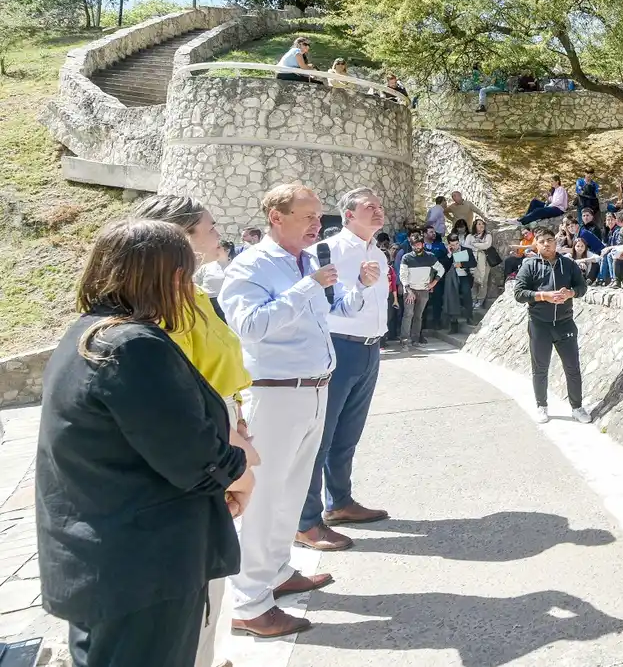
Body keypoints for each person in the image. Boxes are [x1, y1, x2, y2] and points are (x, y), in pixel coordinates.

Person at [38, 219, 252, 667]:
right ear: (172, 278)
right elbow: (192, 456)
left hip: (103, 558)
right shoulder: (134, 345)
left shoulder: (89, 333)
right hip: (144, 568)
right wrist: (240, 473)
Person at [219, 184, 379, 638]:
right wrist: (309, 285)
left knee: (290, 492)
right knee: (264, 497)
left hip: (312, 389)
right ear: (276, 217)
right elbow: (250, 326)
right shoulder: (251, 265)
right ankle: (249, 604)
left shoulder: (306, 261)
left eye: (318, 216)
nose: (316, 224)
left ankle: (275, 574)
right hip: (274, 393)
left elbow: (326, 316)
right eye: (307, 216)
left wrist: (359, 289)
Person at [127, 197, 256, 667]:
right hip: (204, 439)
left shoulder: (195, 295)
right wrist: (230, 451)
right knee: (198, 576)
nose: (218, 231)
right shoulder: (166, 308)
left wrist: (237, 412)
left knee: (211, 573)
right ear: (178, 239)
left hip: (222, 423)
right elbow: (181, 389)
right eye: (208, 227)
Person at [295, 188, 391, 553]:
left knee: (348, 434)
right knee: (320, 437)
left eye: (379, 206)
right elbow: (323, 306)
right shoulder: (327, 250)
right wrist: (360, 286)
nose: (378, 211)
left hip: (370, 348)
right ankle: (306, 520)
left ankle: (340, 502)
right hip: (339, 346)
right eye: (370, 207)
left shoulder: (378, 252)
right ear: (349, 215)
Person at [512, 228, 590, 425]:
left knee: (573, 367)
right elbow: (519, 293)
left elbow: (582, 288)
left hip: (565, 323)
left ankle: (577, 407)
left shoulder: (568, 264)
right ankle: (542, 406)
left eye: (550, 240)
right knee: (540, 368)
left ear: (556, 243)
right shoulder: (529, 265)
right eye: (542, 241)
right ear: (536, 245)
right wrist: (542, 296)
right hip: (539, 324)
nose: (546, 244)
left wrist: (570, 294)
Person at [397, 235, 443, 347]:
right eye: (414, 245)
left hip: (423, 290)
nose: (416, 247)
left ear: (422, 244)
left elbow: (441, 269)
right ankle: (404, 339)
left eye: (418, 244)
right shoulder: (406, 258)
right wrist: (408, 290)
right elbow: (403, 275)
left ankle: (415, 338)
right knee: (408, 314)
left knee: (418, 315)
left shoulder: (430, 257)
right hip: (410, 289)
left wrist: (434, 282)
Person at [465, 217, 495, 306]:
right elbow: (466, 246)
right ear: (475, 225)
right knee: (474, 281)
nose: (481, 225)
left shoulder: (488, 236)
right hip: (473, 261)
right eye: (479, 224)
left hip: (485, 262)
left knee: (483, 281)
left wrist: (474, 245)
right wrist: (479, 246)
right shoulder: (470, 236)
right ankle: (473, 299)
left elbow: (487, 245)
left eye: (483, 224)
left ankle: (480, 300)